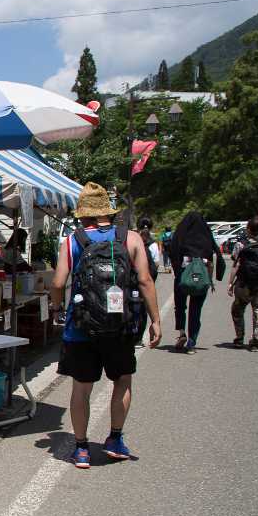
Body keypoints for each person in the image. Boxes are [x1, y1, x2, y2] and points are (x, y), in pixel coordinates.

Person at [51, 182, 162, 470]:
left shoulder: (72, 241)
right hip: (121, 326)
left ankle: (82, 448)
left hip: (81, 327)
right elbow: (146, 280)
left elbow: (58, 283)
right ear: (108, 213)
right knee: (122, 381)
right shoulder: (132, 238)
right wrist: (156, 320)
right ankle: (114, 439)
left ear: (84, 213)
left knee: (82, 388)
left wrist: (56, 307)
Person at [168, 212, 222, 354]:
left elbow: (173, 254)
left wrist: (178, 272)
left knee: (180, 307)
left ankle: (182, 333)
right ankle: (192, 341)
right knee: (195, 310)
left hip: (182, 279)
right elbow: (210, 263)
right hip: (201, 280)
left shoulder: (181, 237)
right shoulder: (205, 239)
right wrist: (210, 281)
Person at [228, 215, 258, 351]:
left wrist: (230, 283)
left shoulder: (241, 245)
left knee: (237, 310)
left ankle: (239, 338)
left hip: (244, 285)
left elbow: (235, 265)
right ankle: (256, 341)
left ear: (248, 228)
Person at [135, 217, 160, 346]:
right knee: (144, 308)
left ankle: (131, 334)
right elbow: (156, 264)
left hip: (132, 280)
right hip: (147, 278)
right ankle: (139, 337)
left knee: (132, 306)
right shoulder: (153, 244)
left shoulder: (134, 240)